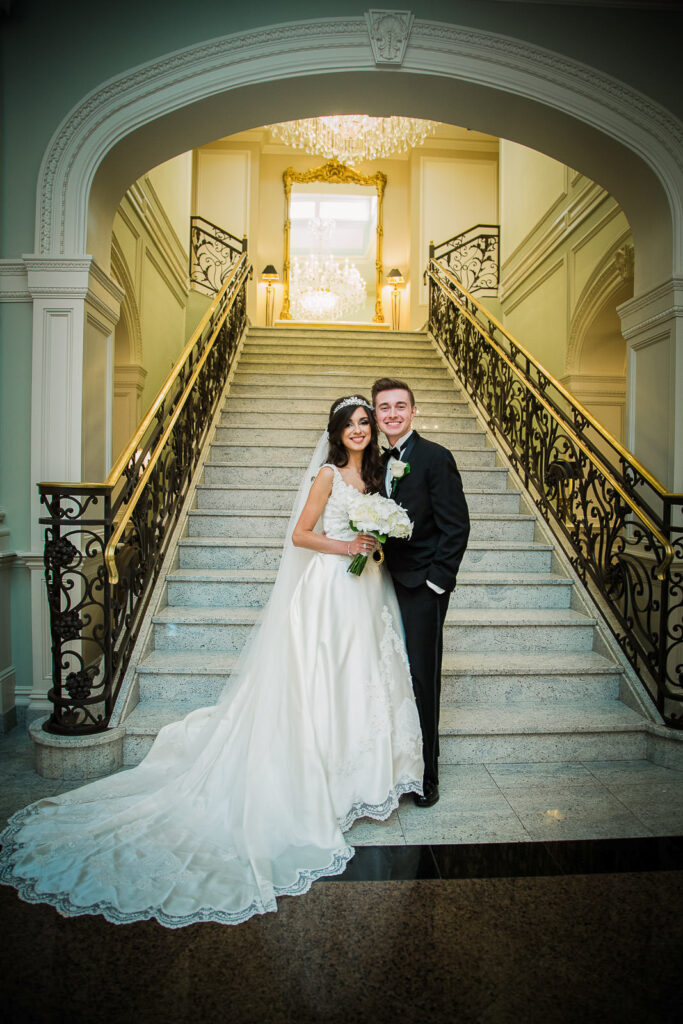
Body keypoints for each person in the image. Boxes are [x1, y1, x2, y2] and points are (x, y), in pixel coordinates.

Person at [0, 396, 423, 927]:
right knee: (325, 679)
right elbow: (300, 535)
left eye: (366, 422)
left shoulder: (381, 475)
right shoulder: (327, 475)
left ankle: (362, 780)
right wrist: (347, 547)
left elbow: (380, 529)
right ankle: (323, 784)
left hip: (367, 590)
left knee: (363, 679)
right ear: (336, 432)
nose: (360, 430)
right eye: (351, 424)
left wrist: (375, 541)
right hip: (329, 592)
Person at [372, 378, 470, 808]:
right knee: (389, 676)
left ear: (414, 411)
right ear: (376, 416)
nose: (391, 414)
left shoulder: (435, 458)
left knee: (421, 677)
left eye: (399, 406)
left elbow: (456, 526)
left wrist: (436, 583)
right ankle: (396, 764)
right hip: (380, 582)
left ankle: (428, 775)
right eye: (383, 408)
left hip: (421, 588)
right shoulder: (375, 463)